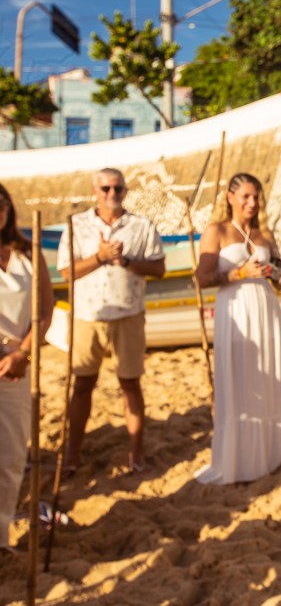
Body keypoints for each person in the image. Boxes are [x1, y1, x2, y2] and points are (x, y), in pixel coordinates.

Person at [194, 172, 281, 484]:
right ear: (230, 197)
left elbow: (279, 283)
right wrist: (238, 273)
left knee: (272, 379)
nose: (252, 203)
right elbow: (202, 279)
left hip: (266, 310)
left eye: (256, 197)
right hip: (235, 311)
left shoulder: (264, 235)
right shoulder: (217, 231)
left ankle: (272, 454)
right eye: (245, 196)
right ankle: (241, 460)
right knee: (241, 380)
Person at [58, 168, 165, 474]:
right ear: (96, 191)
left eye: (117, 188)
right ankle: (73, 454)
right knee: (83, 384)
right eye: (106, 188)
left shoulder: (142, 226)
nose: (112, 194)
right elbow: (66, 272)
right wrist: (100, 258)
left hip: (128, 314)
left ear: (125, 191)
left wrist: (126, 261)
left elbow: (158, 269)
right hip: (87, 315)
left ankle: (136, 454)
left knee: (130, 383)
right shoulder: (77, 225)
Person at [0, 184, 54, 551]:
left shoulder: (28, 254)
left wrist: (23, 352)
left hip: (16, 363)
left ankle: (0, 536)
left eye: (1, 203)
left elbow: (45, 310)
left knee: (10, 455)